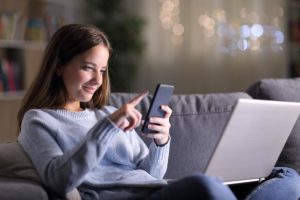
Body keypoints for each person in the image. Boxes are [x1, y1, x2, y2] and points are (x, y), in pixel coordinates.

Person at [17, 24, 300, 200]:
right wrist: (107, 128)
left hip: (158, 188)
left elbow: (151, 174)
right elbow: (59, 180)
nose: (97, 80)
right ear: (58, 67)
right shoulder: (39, 120)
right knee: (206, 186)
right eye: (87, 68)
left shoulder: (107, 112)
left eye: (102, 70)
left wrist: (161, 142)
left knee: (285, 175)